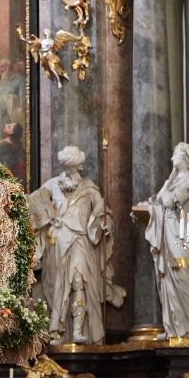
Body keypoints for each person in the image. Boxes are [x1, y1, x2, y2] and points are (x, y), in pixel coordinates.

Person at [30, 146, 125, 344]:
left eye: (74, 168)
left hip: (80, 241)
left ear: (79, 167)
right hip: (56, 244)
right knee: (58, 287)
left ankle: (78, 330)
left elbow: (103, 212)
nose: (71, 172)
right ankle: (57, 331)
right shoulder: (51, 186)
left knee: (79, 282)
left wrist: (105, 224)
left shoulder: (89, 188)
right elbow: (34, 208)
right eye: (68, 168)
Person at [144, 143, 189, 339]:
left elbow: (167, 201)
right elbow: (159, 199)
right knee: (170, 281)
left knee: (186, 280)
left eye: (175, 155)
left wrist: (167, 186)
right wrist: (168, 181)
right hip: (171, 237)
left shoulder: (188, 181)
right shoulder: (176, 181)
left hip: (183, 238)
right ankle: (178, 327)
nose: (172, 159)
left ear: (185, 158)